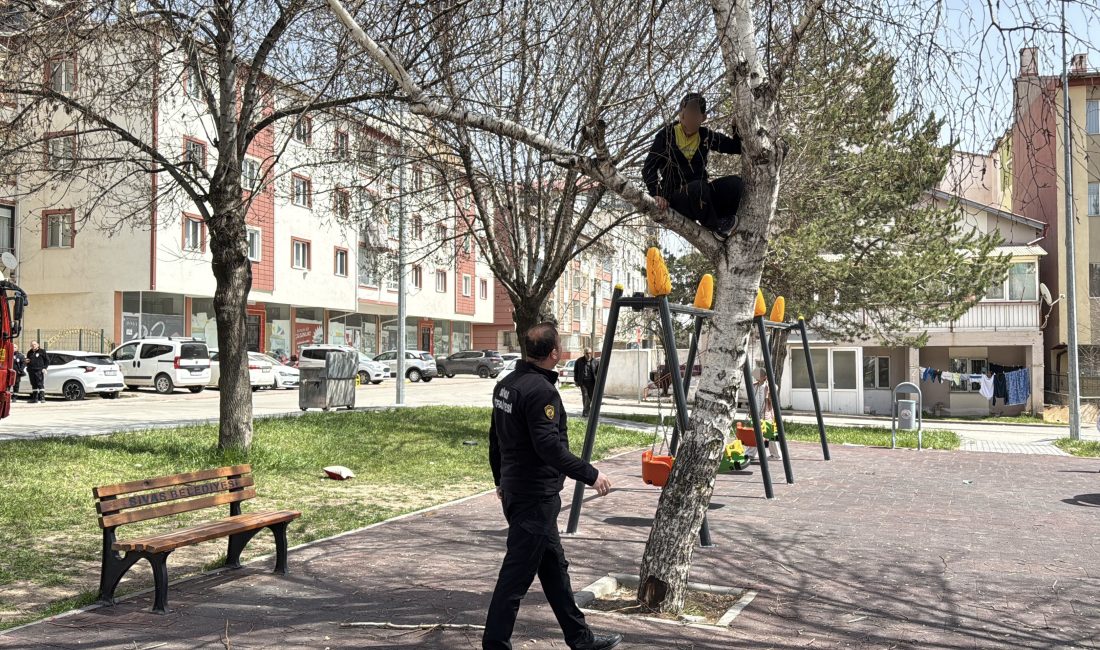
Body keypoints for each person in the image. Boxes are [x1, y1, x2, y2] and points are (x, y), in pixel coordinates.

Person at [485, 323, 621, 650]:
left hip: (520, 492)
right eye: (559, 346)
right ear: (553, 354)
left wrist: (500, 480)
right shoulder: (541, 391)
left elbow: (495, 439)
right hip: (534, 496)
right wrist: (590, 474)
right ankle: (494, 645)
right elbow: (548, 447)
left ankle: (581, 639)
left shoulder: (506, 385)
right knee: (514, 580)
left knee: (555, 571)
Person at [642, 92, 744, 238]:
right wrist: (656, 194)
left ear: (702, 118)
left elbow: (736, 147)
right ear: (680, 114)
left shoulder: (706, 136)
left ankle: (725, 221)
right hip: (677, 198)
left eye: (694, 114)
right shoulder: (666, 135)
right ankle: (716, 227)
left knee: (735, 184)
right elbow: (649, 168)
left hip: (702, 197)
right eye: (685, 114)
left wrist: (736, 127)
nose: (688, 119)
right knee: (698, 188)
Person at [752, 367, 780, 460]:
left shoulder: (769, 386)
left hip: (766, 413)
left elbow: (775, 387)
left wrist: (769, 380)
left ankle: (776, 454)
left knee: (770, 434)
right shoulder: (754, 386)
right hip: (757, 413)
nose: (757, 378)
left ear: (764, 377)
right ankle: (750, 453)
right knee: (755, 434)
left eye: (759, 376)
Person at [575, 349, 595, 417]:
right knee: (585, 396)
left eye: (590, 353)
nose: (588, 354)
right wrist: (576, 381)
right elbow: (576, 371)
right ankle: (585, 412)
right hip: (583, 382)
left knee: (591, 397)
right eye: (587, 353)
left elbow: (597, 372)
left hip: (592, 382)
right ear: (584, 353)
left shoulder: (595, 361)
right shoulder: (579, 361)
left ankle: (589, 411)